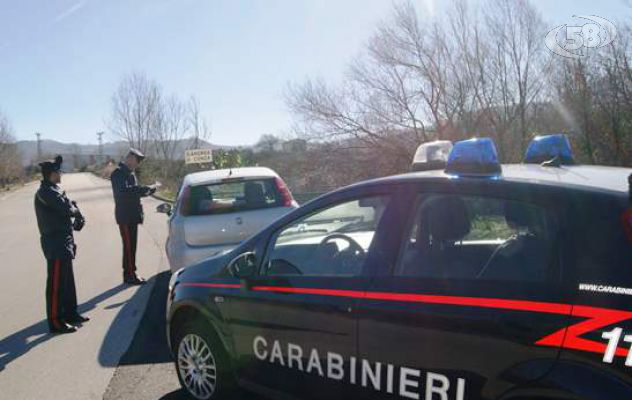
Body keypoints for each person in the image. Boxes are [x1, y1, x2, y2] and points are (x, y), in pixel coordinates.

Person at [34, 155, 89, 334]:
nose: (61, 174)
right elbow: (66, 208)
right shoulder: (46, 192)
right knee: (56, 284)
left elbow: (69, 205)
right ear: (51, 174)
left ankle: (70, 313)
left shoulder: (54, 189)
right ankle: (56, 321)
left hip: (64, 241)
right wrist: (76, 211)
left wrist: (77, 213)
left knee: (67, 281)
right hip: (55, 242)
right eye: (58, 172)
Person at [110, 148, 156, 285]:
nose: (137, 164)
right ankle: (130, 275)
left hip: (132, 215)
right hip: (125, 216)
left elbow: (134, 192)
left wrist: (148, 190)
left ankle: (130, 273)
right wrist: (142, 189)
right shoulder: (118, 174)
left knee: (132, 246)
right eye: (137, 160)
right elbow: (124, 192)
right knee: (129, 247)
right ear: (129, 158)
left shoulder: (130, 174)